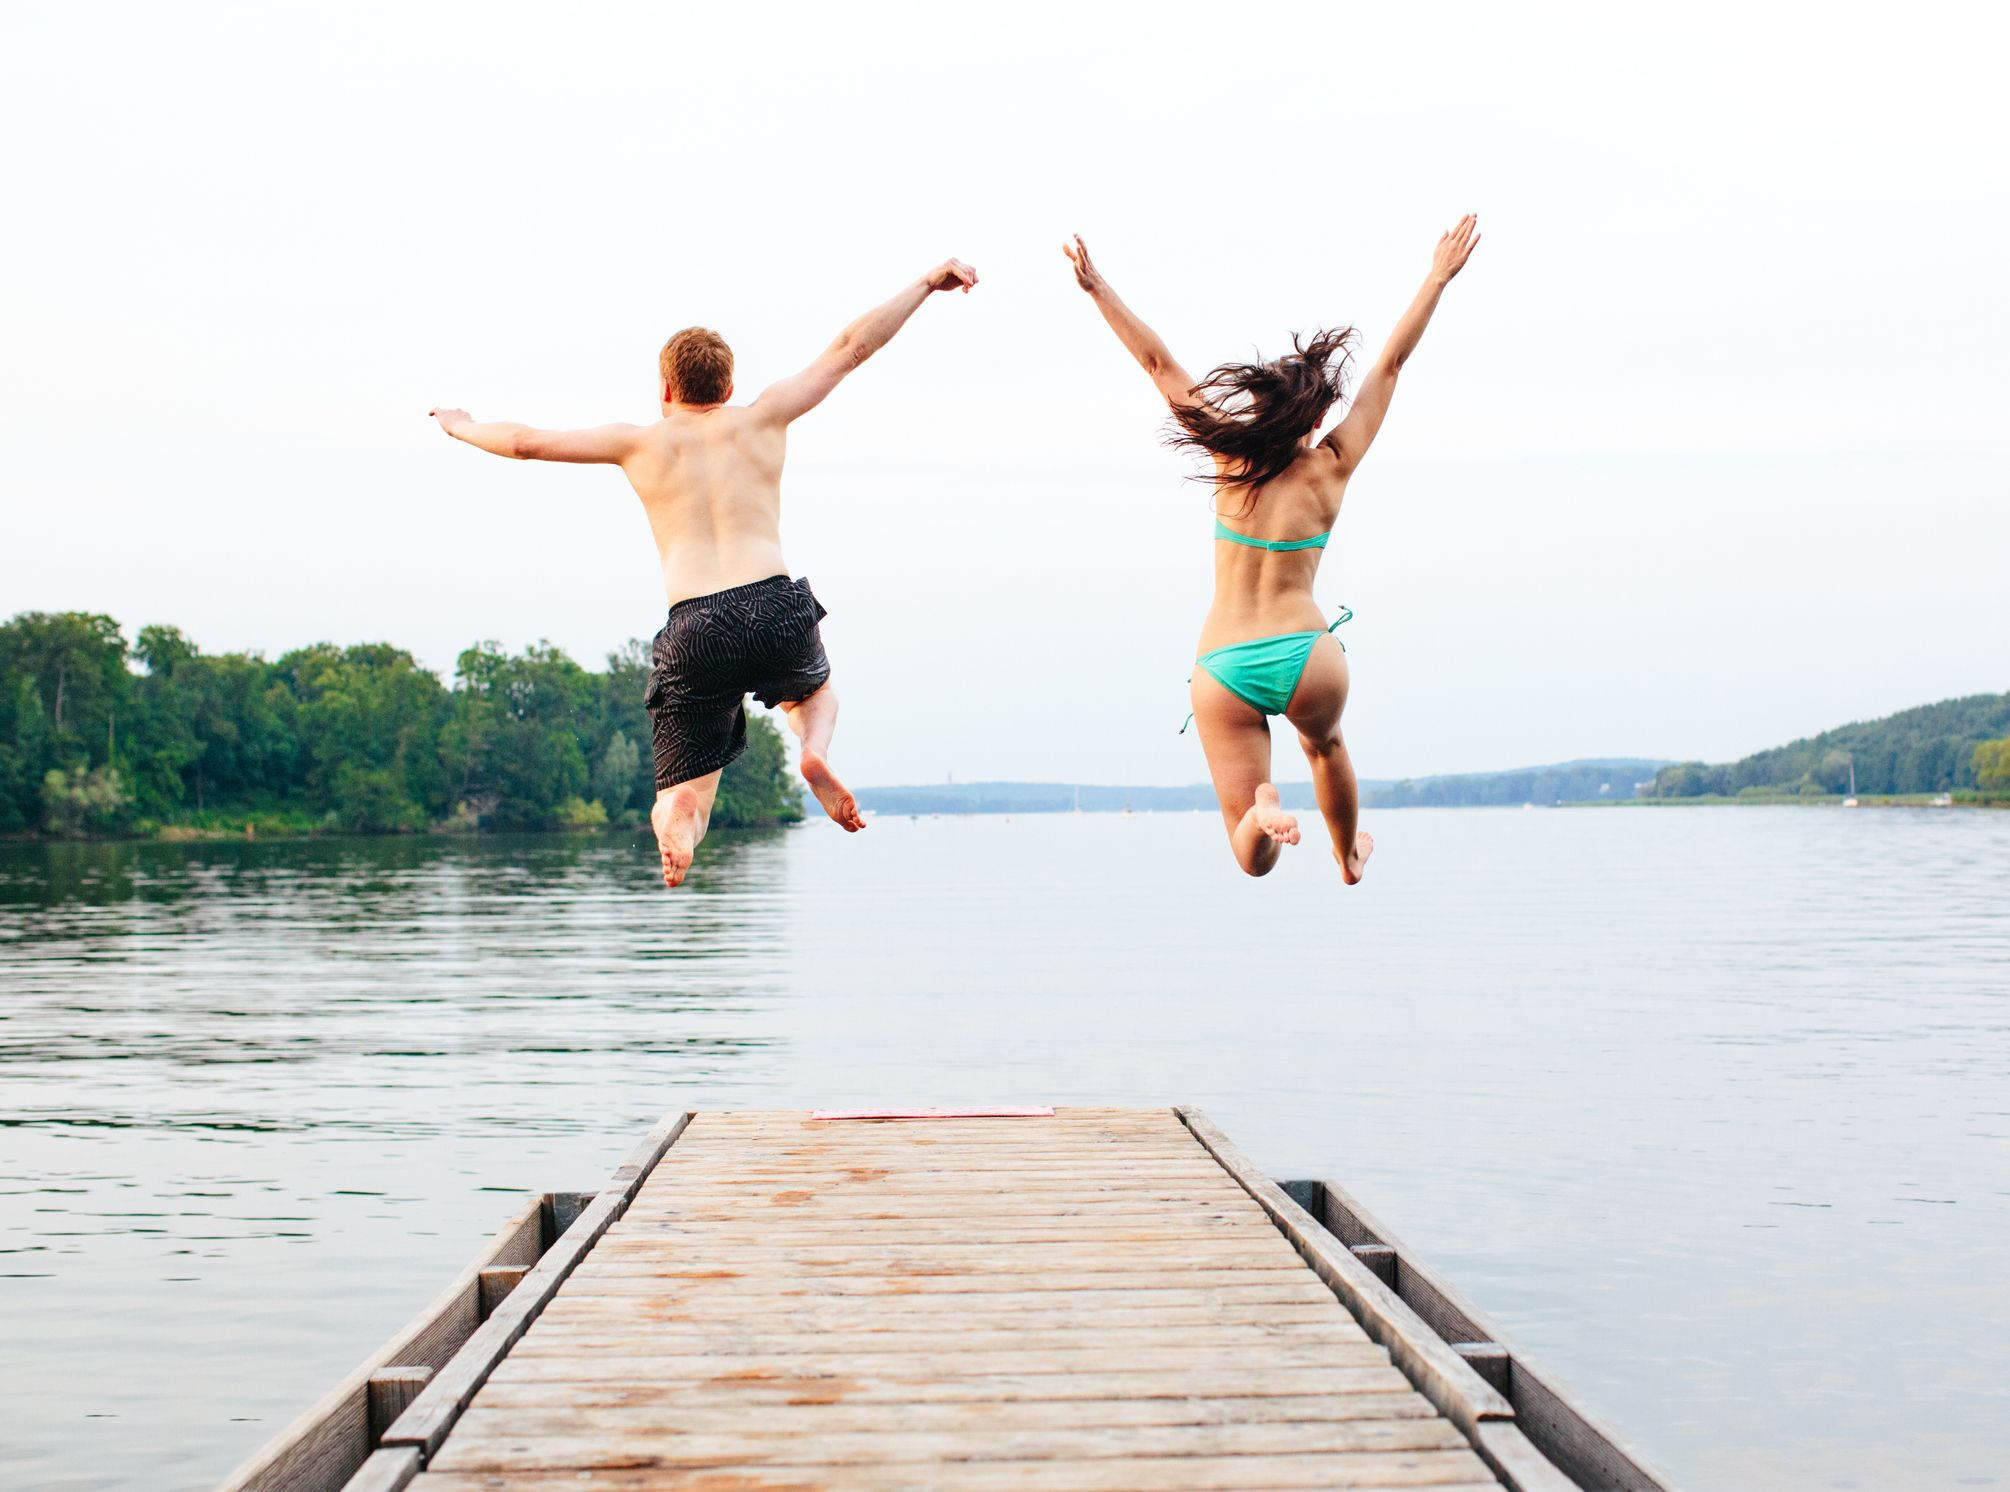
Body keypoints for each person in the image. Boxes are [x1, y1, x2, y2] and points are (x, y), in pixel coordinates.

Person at [429, 257, 979, 887]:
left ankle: (678, 822)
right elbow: (853, 347)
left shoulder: (638, 443)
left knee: (689, 785)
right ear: (728, 385)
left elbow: (525, 441)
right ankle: (815, 754)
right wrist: (924, 284)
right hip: (774, 604)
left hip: (695, 626)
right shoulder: (764, 416)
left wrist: (460, 425)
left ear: (666, 390)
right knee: (814, 696)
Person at [1063, 218, 1480, 882]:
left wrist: (1097, 288)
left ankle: (1260, 813)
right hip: (1306, 654)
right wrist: (1437, 276)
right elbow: (1391, 365)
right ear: (1316, 417)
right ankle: (1346, 858)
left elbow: (1157, 363)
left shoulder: (1229, 455)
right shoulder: (1332, 464)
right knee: (1325, 746)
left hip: (1224, 664)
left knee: (1250, 861)